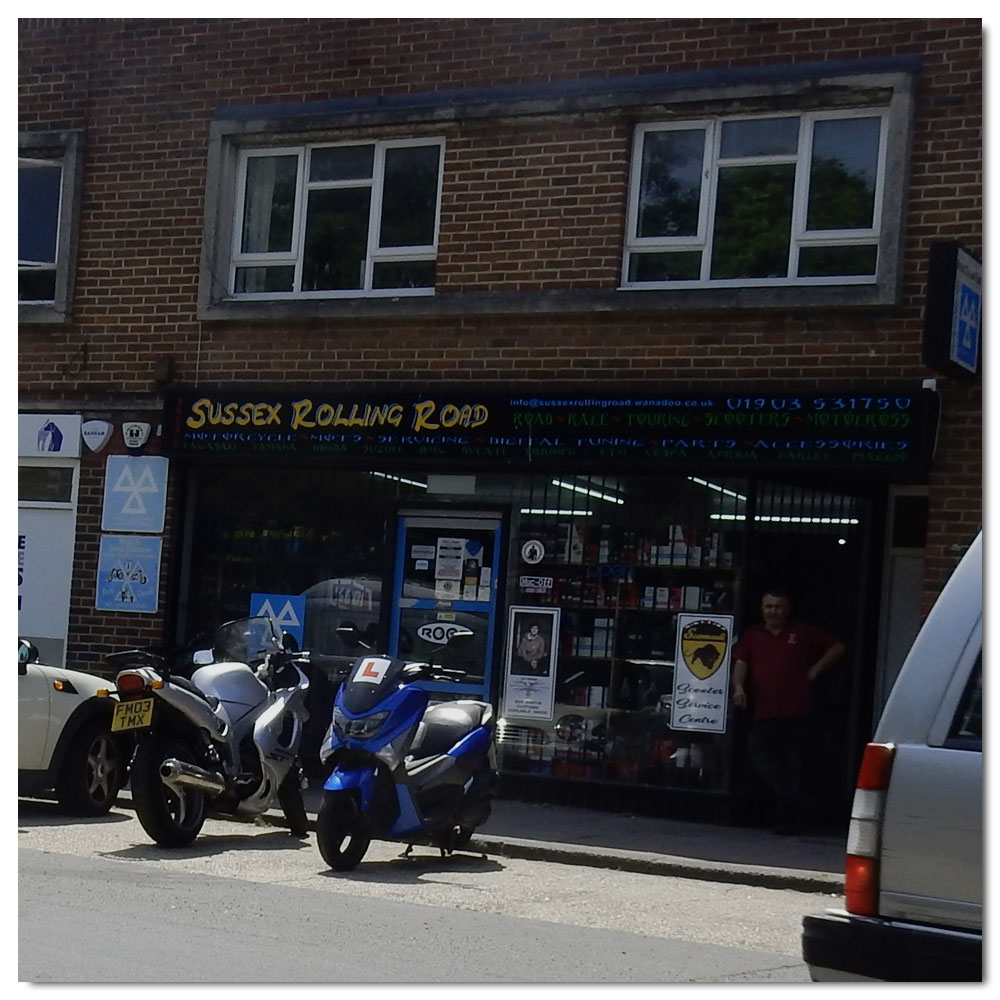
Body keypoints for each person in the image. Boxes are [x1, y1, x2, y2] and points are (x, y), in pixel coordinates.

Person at [731, 589, 845, 834]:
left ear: (787, 609)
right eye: (768, 606)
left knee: (794, 767)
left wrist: (814, 671)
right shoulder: (753, 634)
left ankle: (788, 821)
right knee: (760, 758)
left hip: (797, 711)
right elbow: (741, 663)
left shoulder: (801, 632)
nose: (772, 611)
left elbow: (837, 648)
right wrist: (739, 687)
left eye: (777, 607)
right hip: (764, 712)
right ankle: (799, 802)